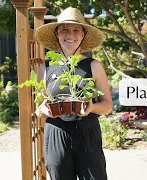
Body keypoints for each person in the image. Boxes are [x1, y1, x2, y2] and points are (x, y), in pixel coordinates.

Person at [35, 7, 112, 180]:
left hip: (87, 133)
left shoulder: (94, 66)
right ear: (57, 33)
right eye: (65, 30)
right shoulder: (45, 69)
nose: (71, 35)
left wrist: (92, 107)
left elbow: (107, 105)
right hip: (56, 132)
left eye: (76, 30)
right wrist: (44, 110)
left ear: (83, 34)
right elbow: (38, 107)